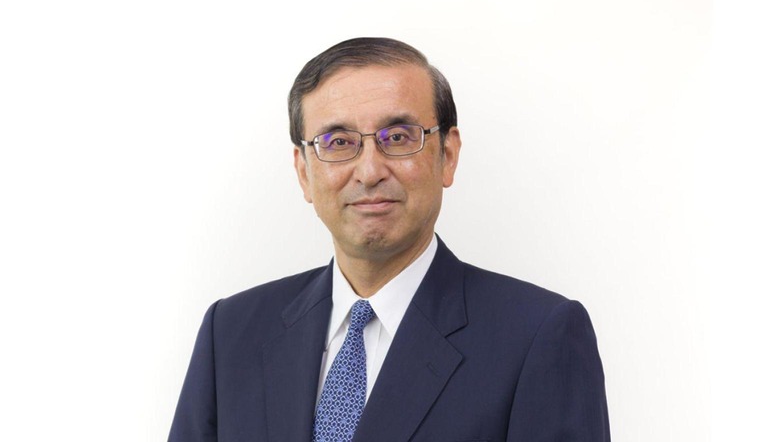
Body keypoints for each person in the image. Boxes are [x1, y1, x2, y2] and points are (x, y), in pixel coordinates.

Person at [169, 37, 610, 442]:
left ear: (447, 156)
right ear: (304, 172)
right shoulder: (231, 333)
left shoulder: (538, 337)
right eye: (338, 142)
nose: (369, 171)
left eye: (398, 138)